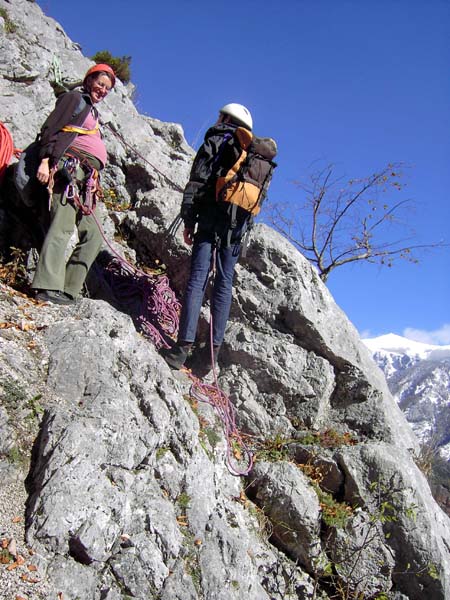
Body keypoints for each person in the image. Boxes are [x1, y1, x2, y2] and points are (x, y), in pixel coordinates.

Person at [163, 103, 254, 371]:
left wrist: (189, 219)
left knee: (199, 278)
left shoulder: (217, 139)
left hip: (211, 220)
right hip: (237, 228)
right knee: (224, 285)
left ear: (225, 117)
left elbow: (198, 180)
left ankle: (182, 349)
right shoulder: (250, 151)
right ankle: (210, 357)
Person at [31, 63, 115, 305]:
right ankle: (46, 285)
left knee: (94, 235)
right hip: (69, 170)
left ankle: (69, 288)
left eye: (107, 88)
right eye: (100, 84)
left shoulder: (93, 112)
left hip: (87, 180)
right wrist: (46, 161)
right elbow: (50, 129)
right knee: (62, 226)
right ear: (89, 81)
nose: (103, 90)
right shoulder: (73, 99)